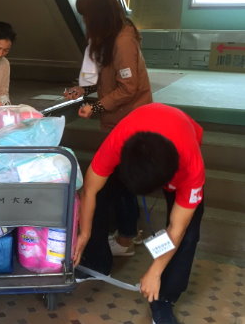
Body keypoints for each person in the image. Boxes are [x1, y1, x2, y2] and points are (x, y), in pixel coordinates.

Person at [73, 103, 205, 324]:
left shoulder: (191, 169)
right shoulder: (118, 141)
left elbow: (177, 228)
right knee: (102, 192)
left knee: (190, 233)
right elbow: (89, 190)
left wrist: (154, 271)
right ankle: (97, 262)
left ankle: (164, 299)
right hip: (141, 135)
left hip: (181, 142)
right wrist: (84, 234)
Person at [63, 0, 152, 255]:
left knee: (119, 183)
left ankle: (125, 240)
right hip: (118, 121)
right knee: (120, 182)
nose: (85, 21)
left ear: (98, 14)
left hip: (130, 122)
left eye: (86, 15)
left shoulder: (123, 40)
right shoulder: (110, 37)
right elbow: (107, 80)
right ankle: (127, 233)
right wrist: (84, 91)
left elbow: (129, 87)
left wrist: (96, 108)